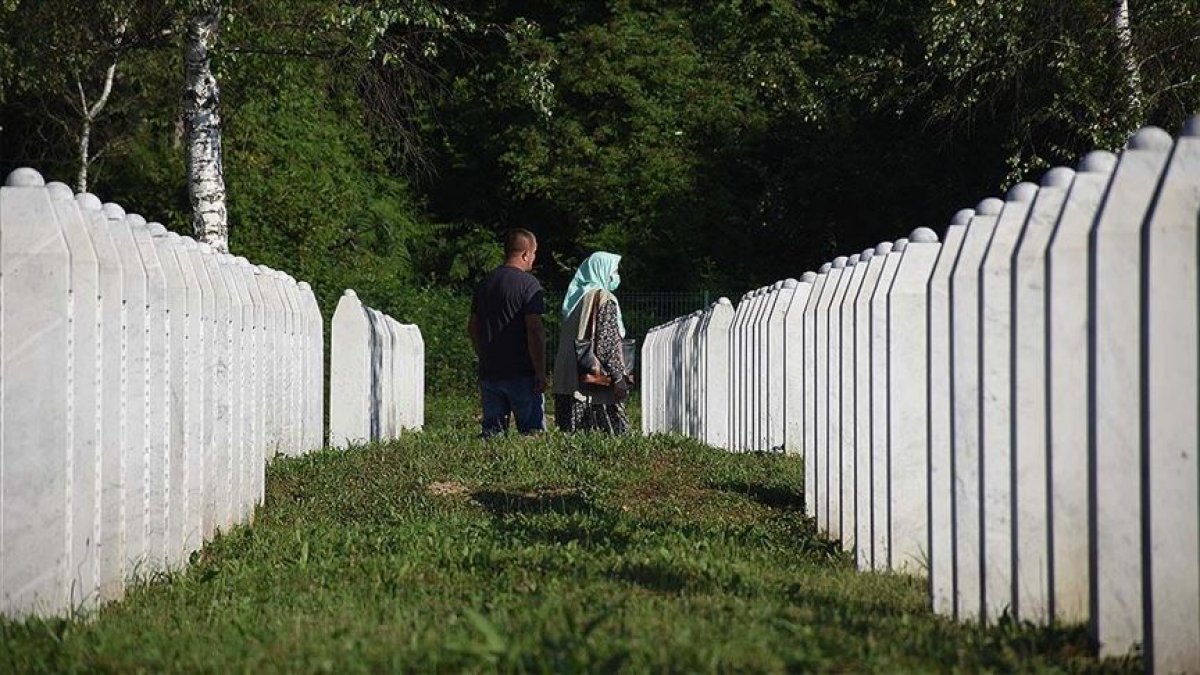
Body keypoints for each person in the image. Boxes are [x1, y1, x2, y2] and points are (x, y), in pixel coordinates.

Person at [468, 229, 547, 437]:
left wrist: (482, 354)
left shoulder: (485, 283)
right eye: (534, 253)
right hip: (521, 372)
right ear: (525, 254)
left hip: (490, 371)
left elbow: (473, 325)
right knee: (532, 434)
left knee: (492, 435)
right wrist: (540, 370)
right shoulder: (529, 285)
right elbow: (534, 328)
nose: (534, 258)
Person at [552, 251, 632, 434]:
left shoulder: (574, 299)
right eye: (614, 271)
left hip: (567, 384)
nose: (616, 277)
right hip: (594, 389)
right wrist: (619, 379)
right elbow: (606, 345)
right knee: (609, 444)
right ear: (602, 271)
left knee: (571, 448)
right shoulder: (604, 298)